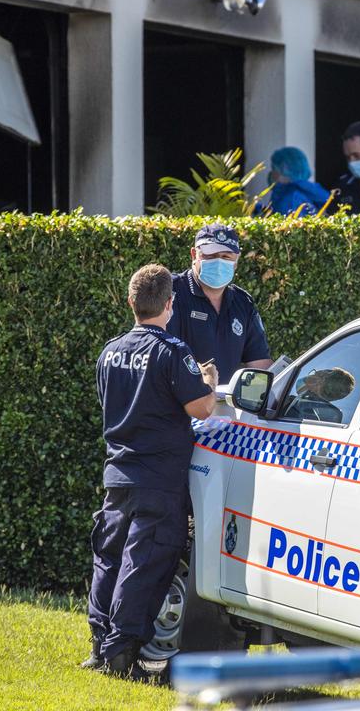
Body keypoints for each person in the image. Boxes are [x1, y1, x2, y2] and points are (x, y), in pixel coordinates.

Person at [85, 264, 218, 678]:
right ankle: (122, 653)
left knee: (108, 559)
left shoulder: (110, 350)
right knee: (142, 563)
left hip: (118, 473)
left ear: (131, 302)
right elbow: (201, 408)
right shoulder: (172, 351)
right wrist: (207, 380)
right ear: (170, 304)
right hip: (158, 478)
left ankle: (98, 644)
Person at [166, 223, 273, 382]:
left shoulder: (243, 303)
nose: (218, 262)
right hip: (177, 404)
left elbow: (261, 364)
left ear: (236, 260)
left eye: (226, 257)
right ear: (194, 254)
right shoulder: (170, 292)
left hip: (226, 405)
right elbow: (158, 355)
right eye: (210, 255)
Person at [254, 146, 331, 217]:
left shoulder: (292, 198)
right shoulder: (305, 191)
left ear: (285, 169)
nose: (272, 173)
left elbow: (286, 227)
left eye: (274, 168)